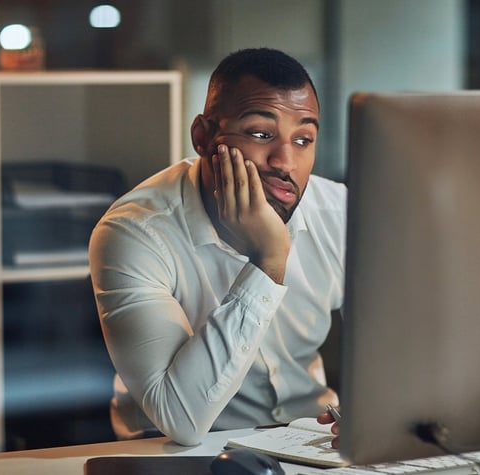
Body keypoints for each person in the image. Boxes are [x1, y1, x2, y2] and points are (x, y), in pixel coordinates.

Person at [88, 47, 346, 446]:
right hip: (171, 454)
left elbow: (403, 342)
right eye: (261, 134)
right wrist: (268, 261)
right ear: (203, 137)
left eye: (303, 139)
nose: (285, 161)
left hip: (309, 442)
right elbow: (181, 419)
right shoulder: (133, 231)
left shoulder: (338, 213)